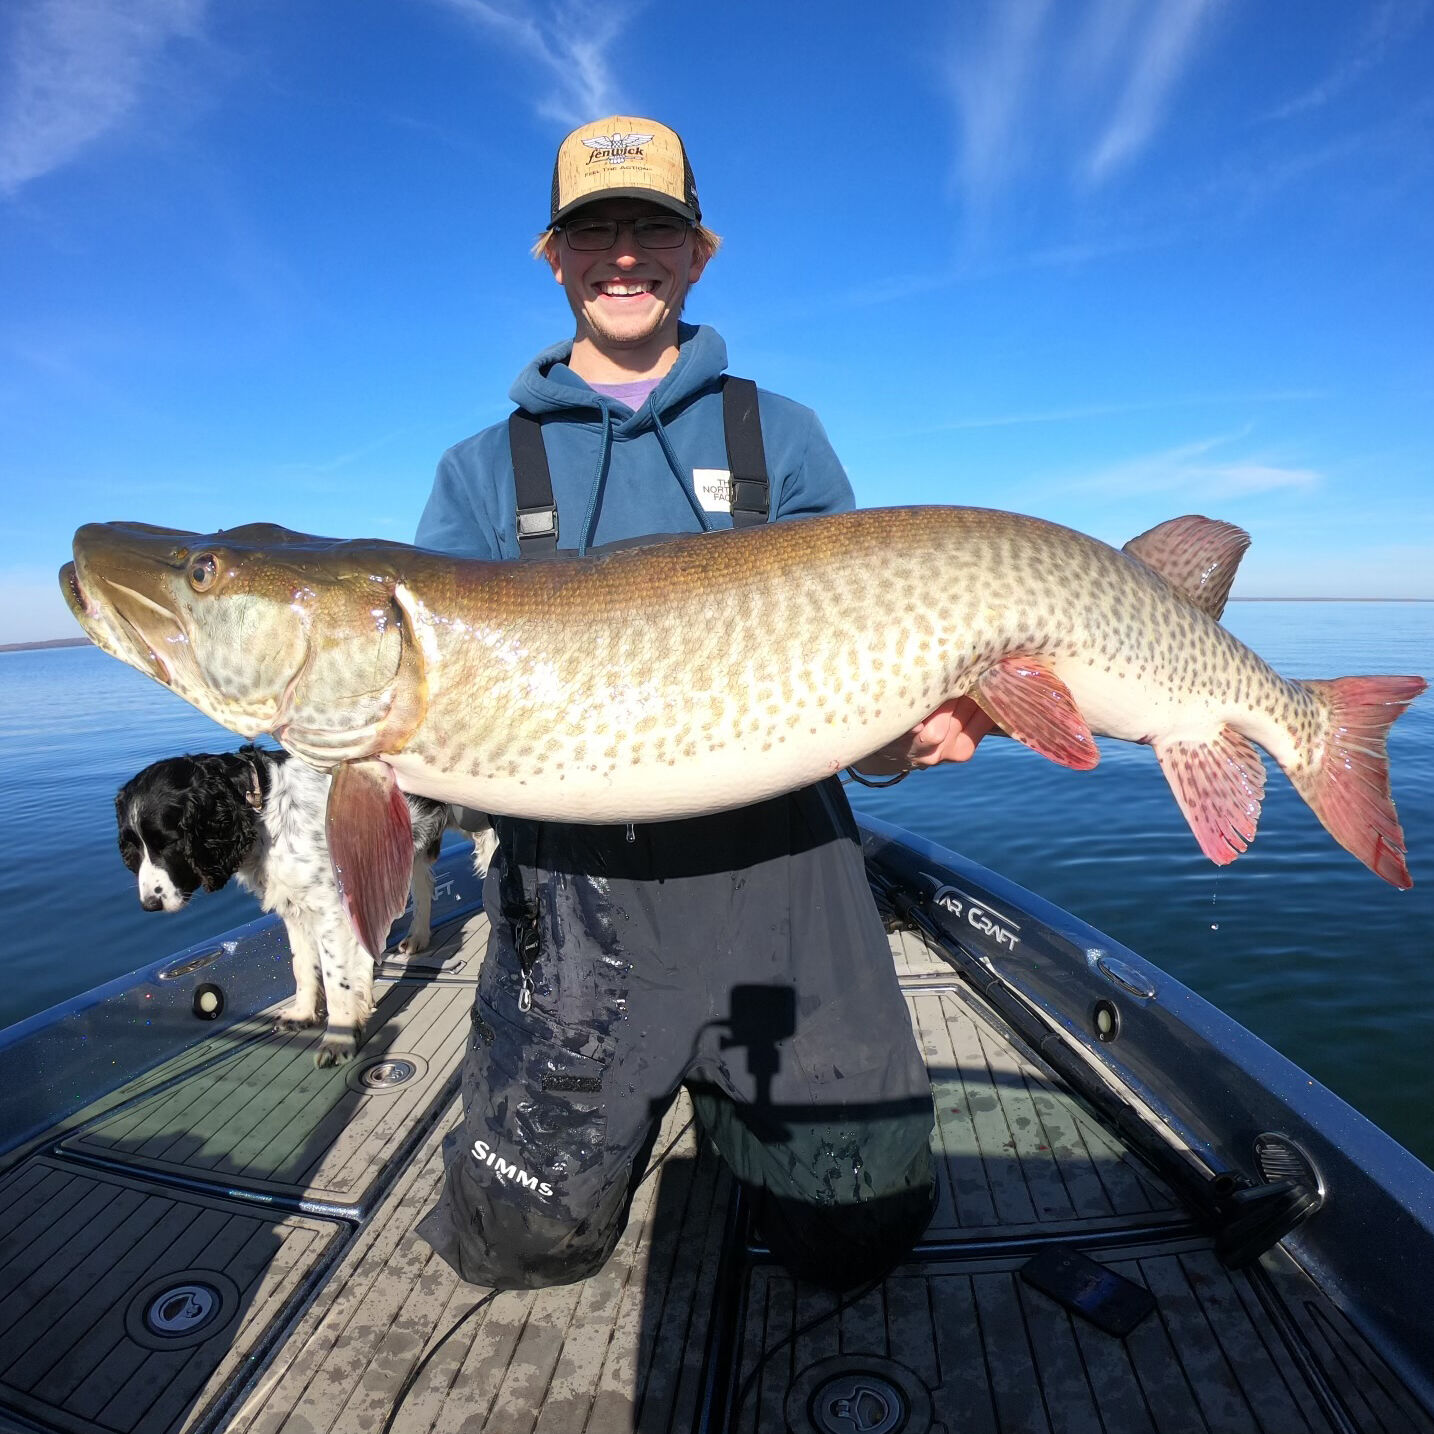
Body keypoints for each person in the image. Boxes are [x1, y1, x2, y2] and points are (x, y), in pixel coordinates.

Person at [413, 116, 991, 1291]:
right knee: (521, 1245)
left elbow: (860, 691)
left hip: (784, 873)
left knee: (855, 1238)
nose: (623, 256)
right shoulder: (481, 471)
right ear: (554, 256)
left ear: (697, 252)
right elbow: (431, 731)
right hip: (573, 898)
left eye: (652, 229)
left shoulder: (781, 436)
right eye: (593, 232)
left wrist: (913, 739)